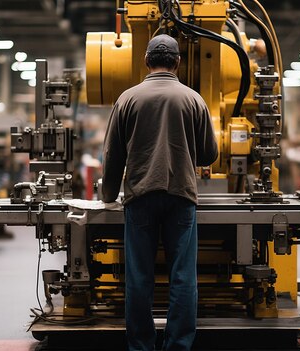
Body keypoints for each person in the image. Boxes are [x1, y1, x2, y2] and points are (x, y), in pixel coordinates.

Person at [101, 34, 218, 351]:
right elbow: (209, 154)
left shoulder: (128, 99)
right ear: (178, 62)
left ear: (145, 60)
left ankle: (141, 345)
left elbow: (113, 156)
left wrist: (108, 196)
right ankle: (178, 345)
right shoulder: (193, 99)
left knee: (139, 277)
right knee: (182, 277)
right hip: (181, 197)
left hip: (140, 197)